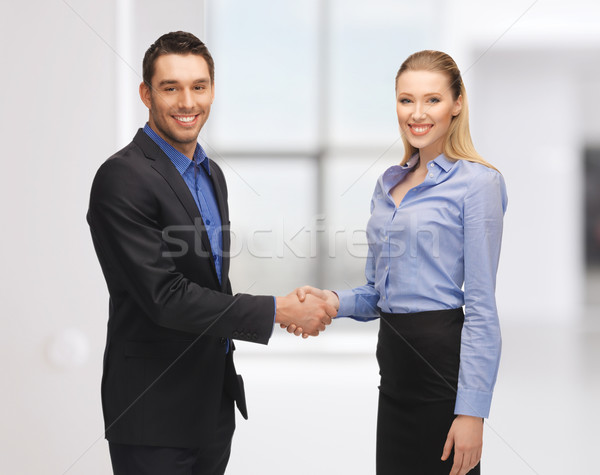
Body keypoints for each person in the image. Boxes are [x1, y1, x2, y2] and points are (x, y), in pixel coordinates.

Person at [87, 31, 336, 475]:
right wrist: (279, 311)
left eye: (198, 87)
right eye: (171, 88)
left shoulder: (210, 173)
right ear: (146, 93)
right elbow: (165, 297)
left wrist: (282, 311)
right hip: (153, 414)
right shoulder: (121, 177)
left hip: (211, 407)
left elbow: (210, 283)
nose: (187, 101)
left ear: (212, 91)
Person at [290, 50, 508, 474]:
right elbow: (377, 293)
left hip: (441, 369)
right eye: (406, 100)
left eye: (432, 100)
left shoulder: (479, 183)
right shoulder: (389, 184)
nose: (417, 113)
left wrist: (473, 412)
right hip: (393, 371)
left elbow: (481, 307)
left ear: (457, 104)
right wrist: (331, 301)